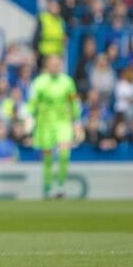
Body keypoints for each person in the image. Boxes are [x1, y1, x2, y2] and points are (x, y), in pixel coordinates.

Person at [26, 55, 82, 199]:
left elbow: (73, 101)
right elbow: (32, 102)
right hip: (44, 124)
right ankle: (48, 187)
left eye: (58, 64)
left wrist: (77, 120)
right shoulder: (39, 83)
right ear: (47, 66)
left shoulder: (67, 82)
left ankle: (61, 186)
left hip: (63, 122)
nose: (56, 66)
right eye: (53, 64)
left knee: (64, 154)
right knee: (48, 157)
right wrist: (29, 117)